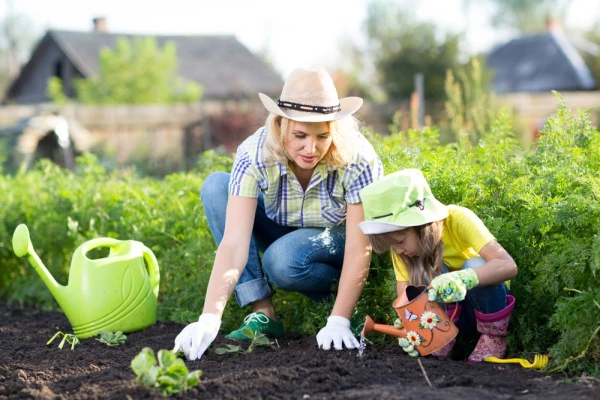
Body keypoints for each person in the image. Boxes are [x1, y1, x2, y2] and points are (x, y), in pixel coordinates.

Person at [173, 68, 384, 360]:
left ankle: (344, 303)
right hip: (281, 227)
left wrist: (340, 319)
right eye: (300, 135)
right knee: (215, 186)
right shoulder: (254, 154)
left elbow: (361, 246)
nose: (311, 149)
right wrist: (209, 317)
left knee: (282, 260)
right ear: (280, 124)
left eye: (322, 136)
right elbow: (234, 244)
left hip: (336, 238)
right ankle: (265, 315)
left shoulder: (356, 157)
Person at [357, 168, 518, 362]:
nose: (398, 250)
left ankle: (494, 338)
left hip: (485, 308)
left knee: (474, 263)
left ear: (420, 225)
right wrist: (413, 326)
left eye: (399, 242)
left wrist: (464, 277)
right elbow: (405, 296)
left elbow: (508, 265)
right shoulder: (404, 251)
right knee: (421, 267)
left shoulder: (457, 219)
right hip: (447, 319)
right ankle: (440, 339)